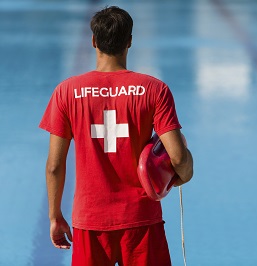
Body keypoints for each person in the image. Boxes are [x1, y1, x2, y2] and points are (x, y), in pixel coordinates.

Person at [39, 6, 193, 266]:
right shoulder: (154, 90)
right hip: (142, 220)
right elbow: (178, 157)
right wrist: (184, 174)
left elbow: (55, 166)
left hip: (90, 222)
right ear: (130, 41)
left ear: (93, 41)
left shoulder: (66, 92)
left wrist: (55, 217)